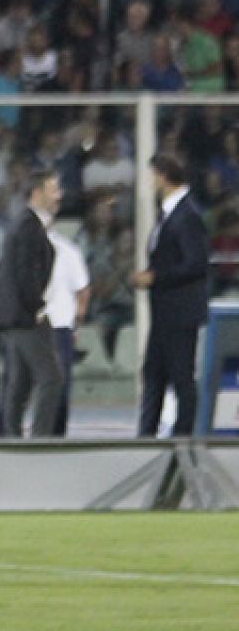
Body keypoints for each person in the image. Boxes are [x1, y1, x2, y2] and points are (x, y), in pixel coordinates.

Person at [133, 153, 210, 436]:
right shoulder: (167, 214)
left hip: (180, 313)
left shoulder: (187, 215)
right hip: (164, 313)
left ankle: (183, 438)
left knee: (181, 378)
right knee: (153, 374)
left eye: (152, 175)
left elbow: (195, 263)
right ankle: (146, 437)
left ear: (162, 176)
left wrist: (155, 277)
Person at [0, 170, 64, 437]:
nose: (58, 195)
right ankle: (40, 438)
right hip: (24, 316)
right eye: (53, 189)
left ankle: (11, 437)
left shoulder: (26, 223)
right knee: (50, 378)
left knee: (20, 383)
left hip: (17, 314)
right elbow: (26, 273)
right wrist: (36, 307)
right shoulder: (28, 226)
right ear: (37, 193)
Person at [46, 228, 91, 437]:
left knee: (18, 384)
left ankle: (6, 431)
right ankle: (55, 433)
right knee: (59, 384)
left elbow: (83, 290)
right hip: (58, 325)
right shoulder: (68, 250)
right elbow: (83, 291)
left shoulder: (66, 250)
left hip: (49, 324)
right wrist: (77, 323)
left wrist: (75, 323)